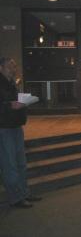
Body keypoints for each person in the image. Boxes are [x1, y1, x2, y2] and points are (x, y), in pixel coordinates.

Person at [0, 57, 41, 208]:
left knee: (21, 163)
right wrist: (10, 106)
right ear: (1, 68)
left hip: (16, 126)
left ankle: (24, 193)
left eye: (14, 66)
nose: (14, 69)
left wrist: (23, 102)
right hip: (4, 128)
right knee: (9, 164)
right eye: (10, 66)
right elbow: (4, 105)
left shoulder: (11, 83)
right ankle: (16, 198)